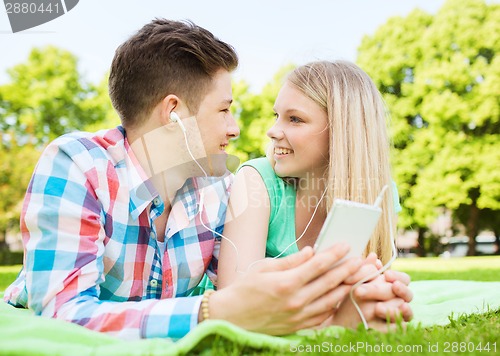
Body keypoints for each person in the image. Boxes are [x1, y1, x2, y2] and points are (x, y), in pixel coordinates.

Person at [4, 20, 412, 339]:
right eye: (224, 110)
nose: (236, 129)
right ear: (174, 114)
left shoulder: (215, 190)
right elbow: (63, 316)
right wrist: (210, 312)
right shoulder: (77, 164)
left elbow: (248, 297)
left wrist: (336, 303)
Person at [218, 60, 412, 329]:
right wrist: (334, 323)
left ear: (341, 132)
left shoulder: (380, 191)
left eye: (294, 119)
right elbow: (232, 303)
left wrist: (383, 294)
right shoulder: (255, 180)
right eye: (277, 116)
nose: (272, 131)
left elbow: (367, 287)